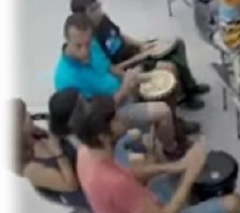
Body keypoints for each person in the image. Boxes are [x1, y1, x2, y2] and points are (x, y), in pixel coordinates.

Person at [71, 96, 240, 213]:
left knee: (155, 163)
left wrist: (177, 166)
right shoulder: (114, 183)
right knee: (236, 203)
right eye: (115, 119)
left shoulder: (86, 152)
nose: (121, 119)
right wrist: (190, 173)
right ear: (102, 137)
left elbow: (131, 173)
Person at [54, 13, 185, 157]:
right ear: (67, 40)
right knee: (163, 111)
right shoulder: (66, 79)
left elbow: (110, 68)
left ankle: (173, 125)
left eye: (88, 44)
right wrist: (125, 88)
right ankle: (171, 149)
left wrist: (132, 77)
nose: (85, 51)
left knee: (168, 69)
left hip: (125, 90)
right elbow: (95, 120)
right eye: (78, 46)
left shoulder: (93, 45)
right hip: (113, 115)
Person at [69, 0, 209, 110]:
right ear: (82, 16)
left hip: (134, 52)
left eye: (97, 6)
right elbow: (114, 69)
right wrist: (142, 56)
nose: (98, 11)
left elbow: (120, 35)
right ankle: (182, 98)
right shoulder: (90, 41)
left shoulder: (103, 19)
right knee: (169, 64)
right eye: (93, 9)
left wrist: (141, 45)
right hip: (128, 64)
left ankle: (190, 86)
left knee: (177, 43)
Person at [13, 98, 88, 208]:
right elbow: (71, 185)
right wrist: (58, 153)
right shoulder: (31, 169)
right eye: (25, 117)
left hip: (83, 166)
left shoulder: (34, 133)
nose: (29, 115)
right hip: (83, 190)